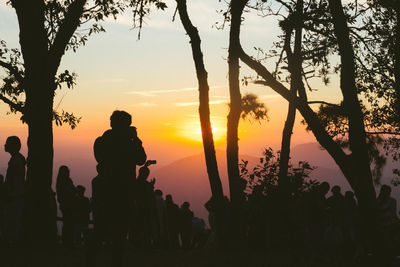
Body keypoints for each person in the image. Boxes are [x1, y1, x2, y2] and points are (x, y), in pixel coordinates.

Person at [89, 110, 146, 267]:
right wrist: (135, 140)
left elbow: (99, 158)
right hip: (123, 192)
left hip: (104, 190)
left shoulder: (101, 141)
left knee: (100, 228)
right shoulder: (130, 142)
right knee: (120, 231)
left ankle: (91, 259)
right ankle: (116, 261)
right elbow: (141, 159)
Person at [3, 136, 26, 246]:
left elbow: (13, 181)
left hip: (14, 197)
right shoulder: (18, 159)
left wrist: (7, 192)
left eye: (7, 143)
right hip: (16, 196)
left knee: (11, 223)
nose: (4, 145)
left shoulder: (15, 161)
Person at [56, 165, 76, 247]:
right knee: (69, 223)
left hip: (65, 204)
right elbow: (70, 191)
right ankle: (68, 241)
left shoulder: (61, 181)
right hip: (67, 204)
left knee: (67, 223)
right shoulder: (65, 181)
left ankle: (67, 241)